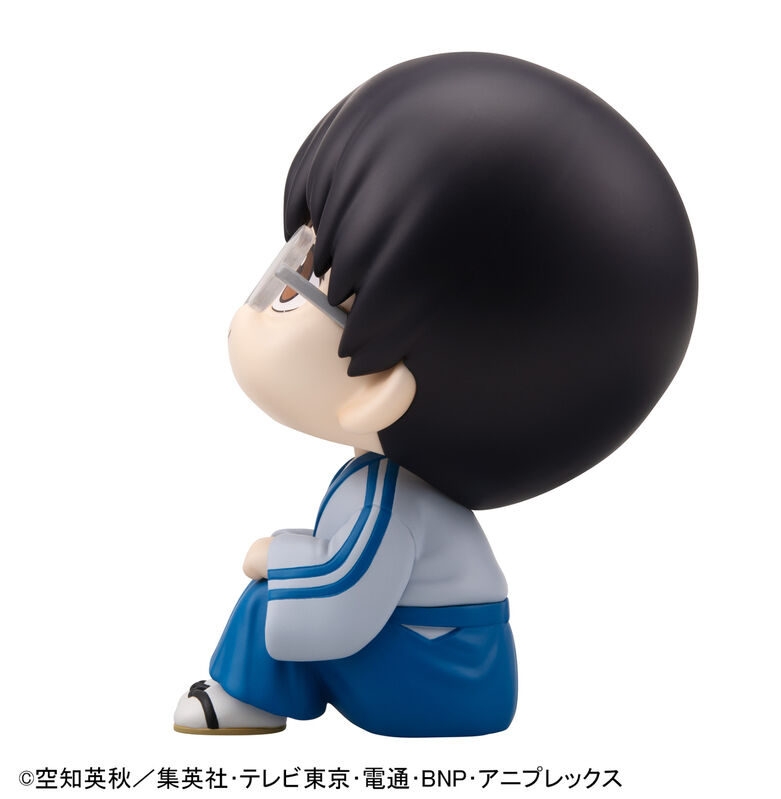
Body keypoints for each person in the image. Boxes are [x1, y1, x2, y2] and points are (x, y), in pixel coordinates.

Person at [173, 52, 697, 737]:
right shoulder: (389, 486)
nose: (265, 298)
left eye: (292, 291)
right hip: (445, 668)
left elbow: (342, 599)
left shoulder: (392, 499)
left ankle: (239, 698)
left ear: (379, 389)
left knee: (266, 600)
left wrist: (276, 559)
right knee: (279, 593)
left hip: (440, 680)